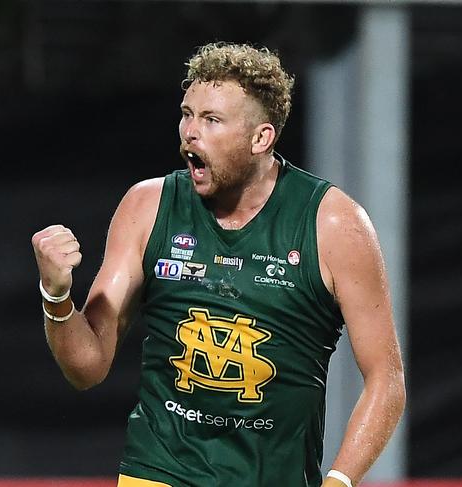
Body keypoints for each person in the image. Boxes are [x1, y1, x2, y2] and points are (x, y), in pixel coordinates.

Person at [32, 42, 406, 487]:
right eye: (187, 114)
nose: (190, 132)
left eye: (211, 120)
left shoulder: (334, 224)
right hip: (158, 472)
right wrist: (55, 295)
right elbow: (87, 367)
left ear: (261, 138)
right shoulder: (148, 206)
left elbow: (386, 380)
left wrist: (340, 481)